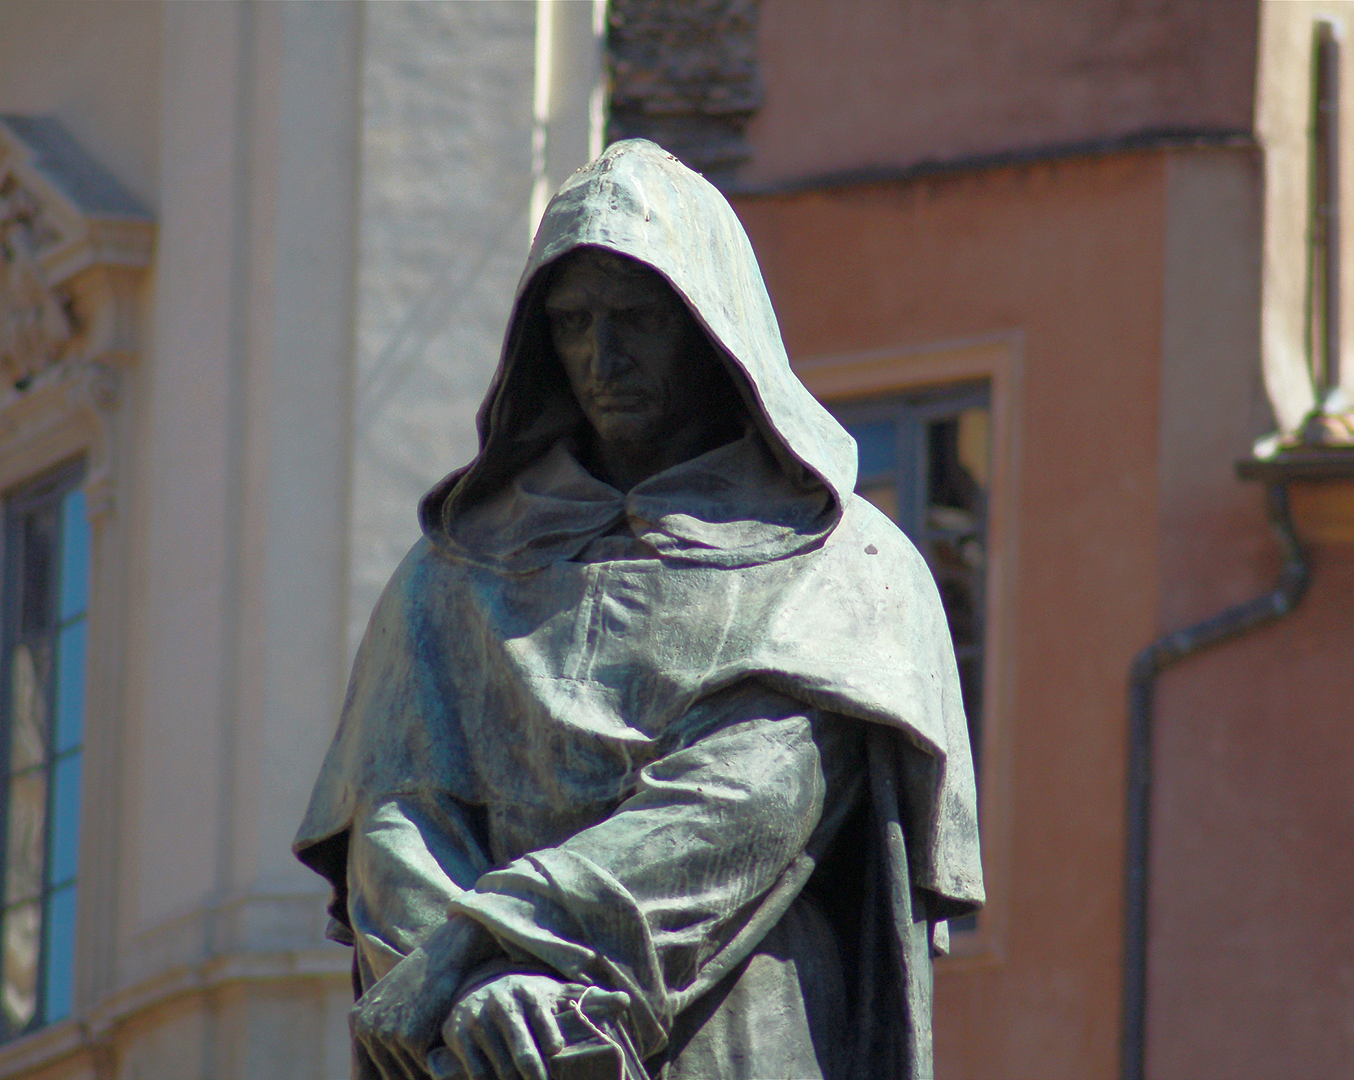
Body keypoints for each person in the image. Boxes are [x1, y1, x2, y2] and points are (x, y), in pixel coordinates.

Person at [294, 140, 982, 1080]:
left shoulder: (846, 568)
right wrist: (460, 994)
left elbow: (739, 805)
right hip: (484, 1047)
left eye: (636, 320)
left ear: (709, 326)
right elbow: (390, 815)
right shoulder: (450, 573)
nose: (601, 358)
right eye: (573, 324)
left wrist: (482, 953)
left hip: (733, 1030)